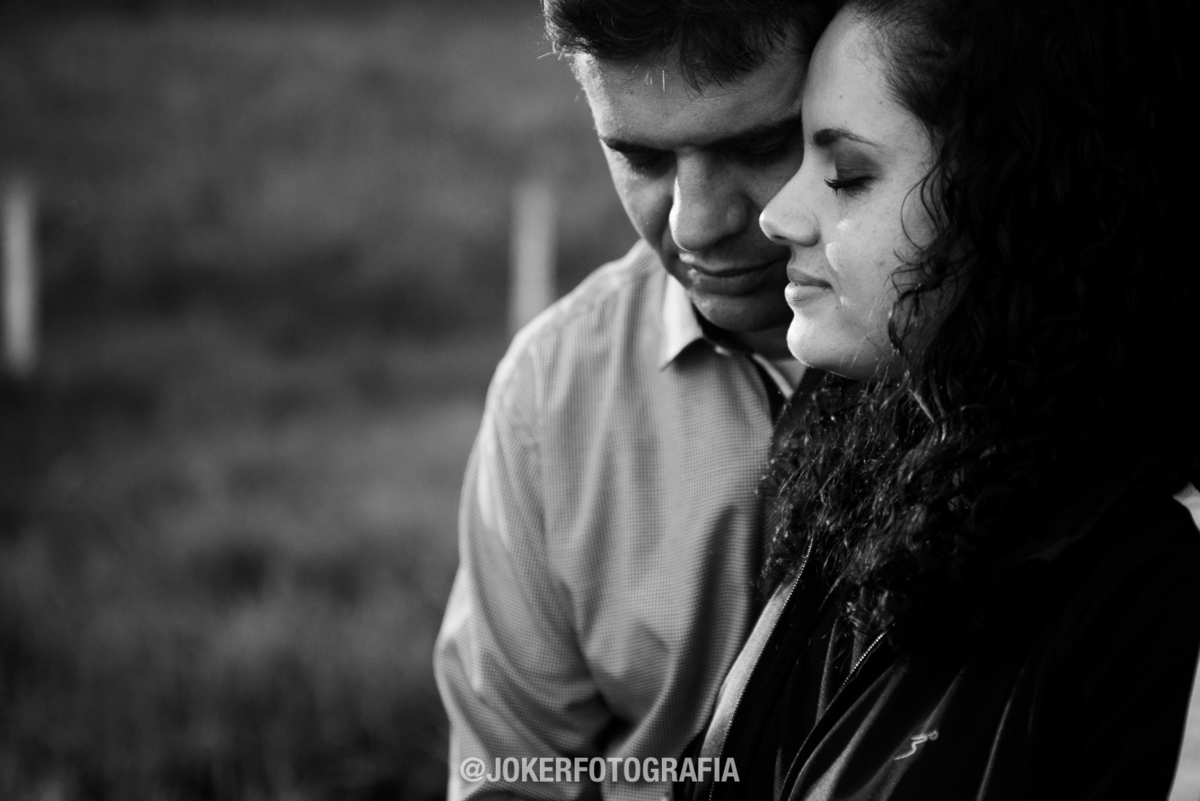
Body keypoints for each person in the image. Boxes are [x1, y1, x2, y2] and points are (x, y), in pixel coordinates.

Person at [681, 0, 1200, 798]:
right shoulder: (867, 471)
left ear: (1019, 200)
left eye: (847, 176)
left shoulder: (1151, 582)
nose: (778, 216)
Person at [433, 2, 831, 799]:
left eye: (760, 146)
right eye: (640, 158)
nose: (696, 223)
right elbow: (512, 775)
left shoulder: (1013, 356)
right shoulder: (550, 397)